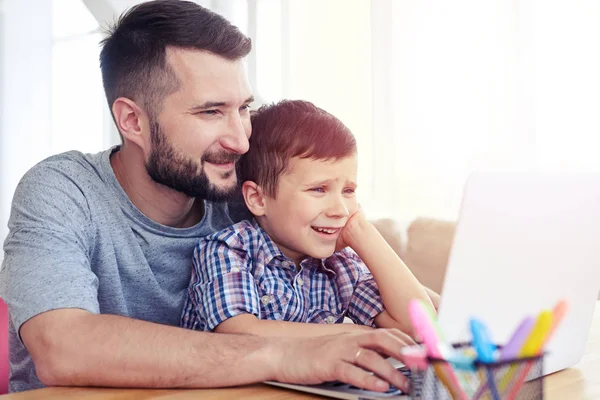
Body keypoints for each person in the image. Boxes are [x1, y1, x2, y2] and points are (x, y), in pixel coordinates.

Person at [0, 0, 414, 394]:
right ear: (132, 121)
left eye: (244, 109)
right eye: (210, 112)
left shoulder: (245, 191)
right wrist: (292, 352)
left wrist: (359, 229)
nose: (239, 140)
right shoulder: (63, 190)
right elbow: (62, 347)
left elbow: (430, 319)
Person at [181, 100, 437, 340]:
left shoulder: (341, 264)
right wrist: (357, 336)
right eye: (318, 189)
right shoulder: (228, 250)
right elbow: (242, 334)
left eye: (348, 191)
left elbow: (422, 329)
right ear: (259, 199)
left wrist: (364, 233)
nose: (340, 210)